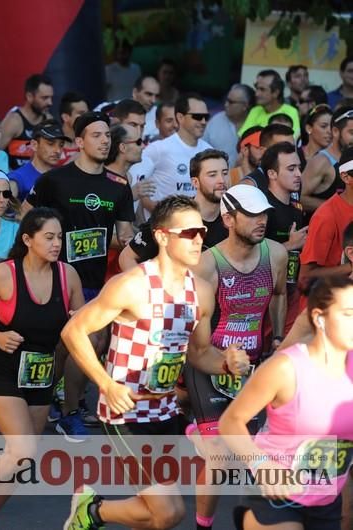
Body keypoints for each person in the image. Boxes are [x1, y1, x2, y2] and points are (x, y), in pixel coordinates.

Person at [60, 195, 250, 530]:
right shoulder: (131, 286)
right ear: (162, 236)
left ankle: (93, 510)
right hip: (125, 413)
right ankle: (93, 511)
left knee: (161, 513)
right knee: (168, 512)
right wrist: (105, 384)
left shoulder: (202, 291)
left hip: (166, 411)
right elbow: (74, 331)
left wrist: (227, 364)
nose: (198, 240)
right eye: (188, 233)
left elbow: (200, 353)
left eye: (202, 232)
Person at [0, 208, 84, 529]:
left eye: (59, 237)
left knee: (24, 458)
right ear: (28, 239)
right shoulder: (4, 274)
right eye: (49, 237)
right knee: (23, 446)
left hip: (40, 374)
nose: (57, 244)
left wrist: (78, 322)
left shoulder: (67, 275)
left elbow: (83, 320)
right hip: (2, 369)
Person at [22, 111, 135, 439]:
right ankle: (44, 397)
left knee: (90, 340)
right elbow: (27, 219)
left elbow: (123, 236)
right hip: (53, 275)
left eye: (108, 136)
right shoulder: (55, 180)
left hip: (93, 279)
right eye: (96, 135)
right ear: (80, 141)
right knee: (59, 346)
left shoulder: (118, 187)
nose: (104, 141)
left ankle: (69, 410)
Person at [185, 184, 287, 530]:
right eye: (253, 215)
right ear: (229, 218)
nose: (262, 221)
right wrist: (220, 359)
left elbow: (278, 294)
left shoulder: (275, 254)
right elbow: (194, 339)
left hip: (253, 364)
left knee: (252, 452)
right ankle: (203, 525)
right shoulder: (206, 265)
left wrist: (278, 338)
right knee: (219, 455)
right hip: (209, 361)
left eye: (265, 214)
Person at [219, 275, 353, 530]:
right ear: (319, 318)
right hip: (275, 493)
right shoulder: (285, 368)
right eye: (348, 313)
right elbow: (231, 421)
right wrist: (260, 464)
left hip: (325, 499)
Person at [120, 149, 231, 267]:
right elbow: (127, 258)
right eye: (212, 175)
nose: (222, 180)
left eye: (225, 173)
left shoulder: (234, 218)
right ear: (195, 182)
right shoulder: (172, 216)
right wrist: (150, 285)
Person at [132, 92, 213, 218]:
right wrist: (158, 210)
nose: (203, 121)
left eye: (206, 117)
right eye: (197, 116)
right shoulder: (158, 149)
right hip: (161, 229)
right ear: (180, 117)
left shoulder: (209, 151)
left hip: (197, 227)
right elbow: (136, 184)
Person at [262, 142, 306, 333]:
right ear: (272, 174)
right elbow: (248, 254)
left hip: (291, 290)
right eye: (291, 168)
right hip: (263, 294)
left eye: (299, 168)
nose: (298, 174)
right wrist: (289, 245)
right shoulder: (261, 207)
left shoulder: (297, 208)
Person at [299, 147, 353, 288]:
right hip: (329, 304)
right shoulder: (326, 216)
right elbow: (305, 277)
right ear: (345, 177)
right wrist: (350, 268)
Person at [300, 106, 353, 213]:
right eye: (352, 133)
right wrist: (337, 207)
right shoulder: (321, 161)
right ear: (335, 131)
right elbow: (299, 198)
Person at [0, 74, 54, 169]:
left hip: (40, 179)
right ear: (29, 96)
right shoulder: (14, 121)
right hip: (14, 179)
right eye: (44, 98)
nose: (50, 103)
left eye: (51, 97)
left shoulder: (49, 121)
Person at [8, 121, 67, 202]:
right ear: (34, 145)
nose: (58, 150)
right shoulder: (18, 178)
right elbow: (3, 212)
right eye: (50, 143)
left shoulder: (64, 176)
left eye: (61, 145)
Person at [204, 84, 255, 167]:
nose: (226, 105)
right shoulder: (215, 121)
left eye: (231, 102)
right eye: (226, 100)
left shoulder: (255, 122)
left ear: (245, 105)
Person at [239, 69, 300, 137]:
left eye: (262, 89)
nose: (256, 94)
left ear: (276, 93)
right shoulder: (255, 110)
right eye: (257, 88)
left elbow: (291, 140)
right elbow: (242, 138)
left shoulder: (291, 112)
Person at [58, 91, 89, 163]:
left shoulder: (90, 142)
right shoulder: (52, 144)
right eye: (81, 113)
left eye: (87, 113)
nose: (86, 117)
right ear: (65, 117)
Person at [131, 75, 160, 141]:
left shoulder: (161, 116)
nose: (153, 100)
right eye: (149, 94)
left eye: (157, 96)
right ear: (135, 93)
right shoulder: (113, 108)